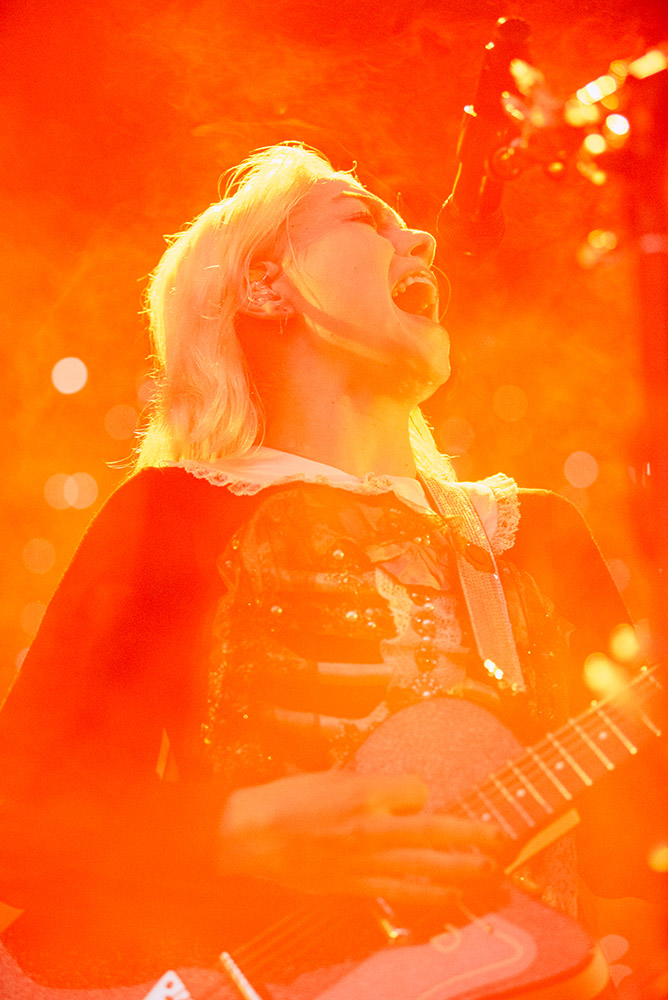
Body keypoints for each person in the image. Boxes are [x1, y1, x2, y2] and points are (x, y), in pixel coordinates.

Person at [0, 143, 654, 999]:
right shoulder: (175, 515)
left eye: (407, 224)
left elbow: (634, 836)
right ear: (265, 283)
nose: (419, 239)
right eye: (363, 217)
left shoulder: (538, 535)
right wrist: (228, 831)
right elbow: (23, 813)